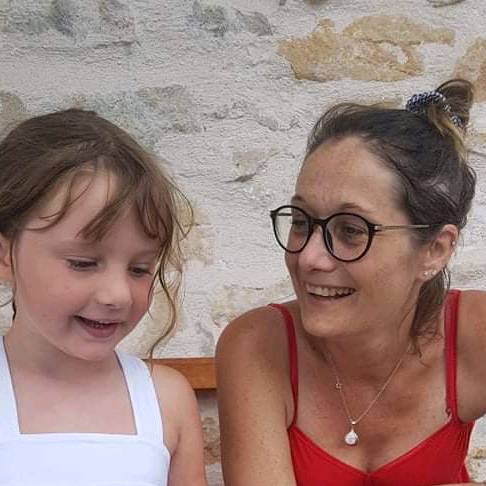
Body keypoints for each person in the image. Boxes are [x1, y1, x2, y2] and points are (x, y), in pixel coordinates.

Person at [216, 79, 486, 486]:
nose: (308, 257)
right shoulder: (259, 344)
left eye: (351, 231)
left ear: (434, 250)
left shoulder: (473, 332)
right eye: (301, 221)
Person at [0, 109, 207, 486]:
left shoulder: (166, 400)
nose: (117, 295)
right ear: (5, 256)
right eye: (83, 263)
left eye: (139, 269)